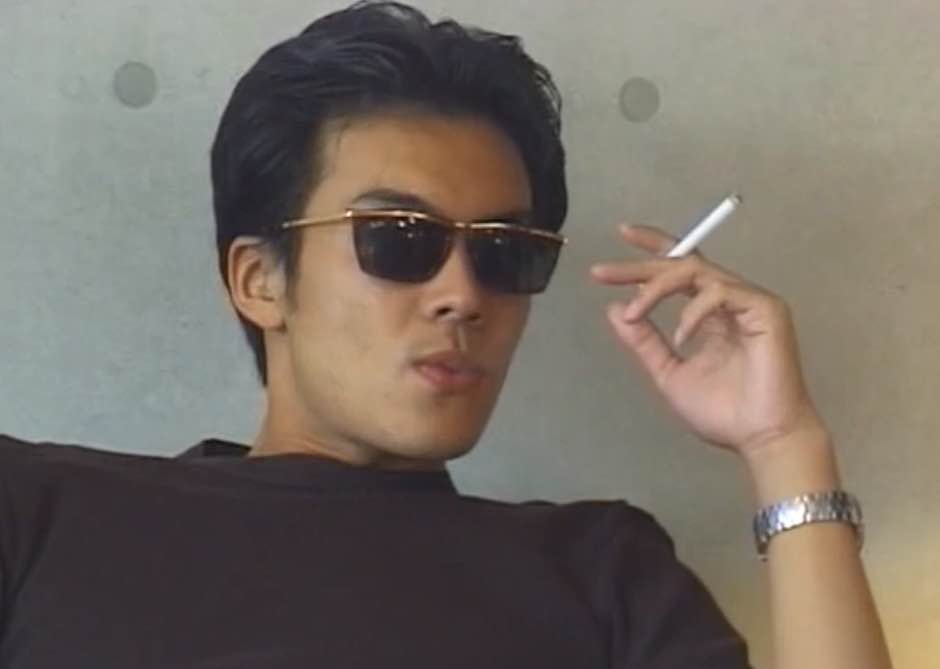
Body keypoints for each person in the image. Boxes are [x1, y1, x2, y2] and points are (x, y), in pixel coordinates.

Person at [0, 2, 891, 667]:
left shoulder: (601, 573)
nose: (463, 294)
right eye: (398, 239)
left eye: (505, 252)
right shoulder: (44, 512)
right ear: (259, 278)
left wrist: (785, 447)